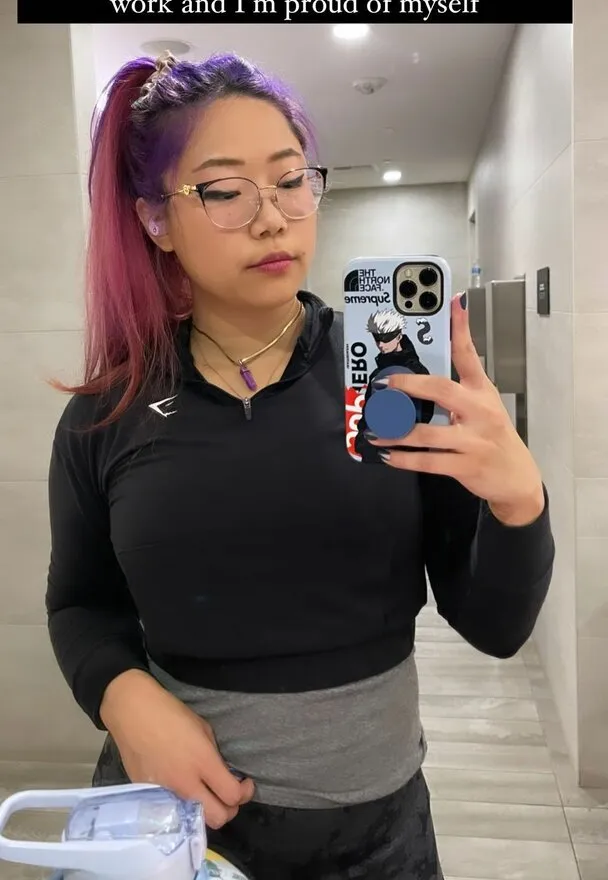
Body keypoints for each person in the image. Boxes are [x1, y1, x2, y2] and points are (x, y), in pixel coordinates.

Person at [46, 51, 554, 880]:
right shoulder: (109, 413)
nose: (273, 218)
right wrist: (122, 696)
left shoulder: (394, 381)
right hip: (175, 832)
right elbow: (78, 604)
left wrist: (519, 504)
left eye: (290, 181)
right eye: (225, 191)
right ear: (155, 220)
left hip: (374, 840)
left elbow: (494, 628)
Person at [354, 310, 435, 462]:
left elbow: (425, 415)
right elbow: (367, 413)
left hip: (409, 458)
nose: (381, 344)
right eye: (377, 339)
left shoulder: (417, 371)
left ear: (398, 337)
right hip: (374, 455)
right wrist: (363, 443)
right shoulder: (376, 374)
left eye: (386, 338)